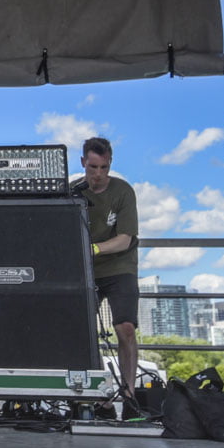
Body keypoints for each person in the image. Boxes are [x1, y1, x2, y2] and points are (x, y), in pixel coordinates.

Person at [73, 136, 140, 415]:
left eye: (104, 167)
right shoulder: (73, 193)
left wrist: (94, 248)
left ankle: (130, 395)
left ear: (110, 163)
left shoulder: (123, 191)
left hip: (120, 267)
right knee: (82, 332)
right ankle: (101, 396)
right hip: (85, 271)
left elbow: (125, 239)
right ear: (83, 163)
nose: (98, 174)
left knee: (125, 328)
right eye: (93, 167)